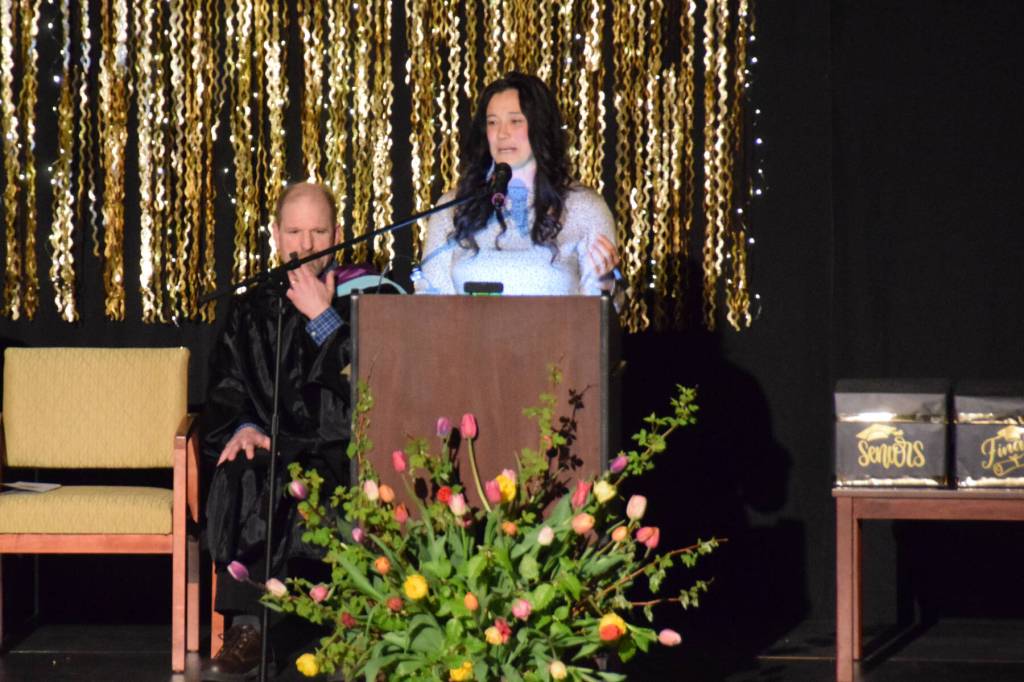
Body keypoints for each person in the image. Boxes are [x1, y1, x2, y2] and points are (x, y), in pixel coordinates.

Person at [200, 182, 400, 680]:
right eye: (294, 232)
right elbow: (227, 386)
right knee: (244, 471)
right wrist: (244, 425)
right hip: (273, 450)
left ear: (338, 234)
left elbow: (380, 386)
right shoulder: (251, 310)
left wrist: (323, 318)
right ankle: (248, 629)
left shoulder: (371, 295)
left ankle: (341, 629)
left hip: (343, 450)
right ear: (275, 235)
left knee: (329, 483)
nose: (306, 245)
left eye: (317, 232)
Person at [415, 71, 620, 296]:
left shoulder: (584, 207)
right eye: (493, 122)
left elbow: (600, 313)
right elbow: (430, 301)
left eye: (515, 121)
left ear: (539, 127)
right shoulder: (454, 207)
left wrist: (606, 287)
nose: (502, 133)